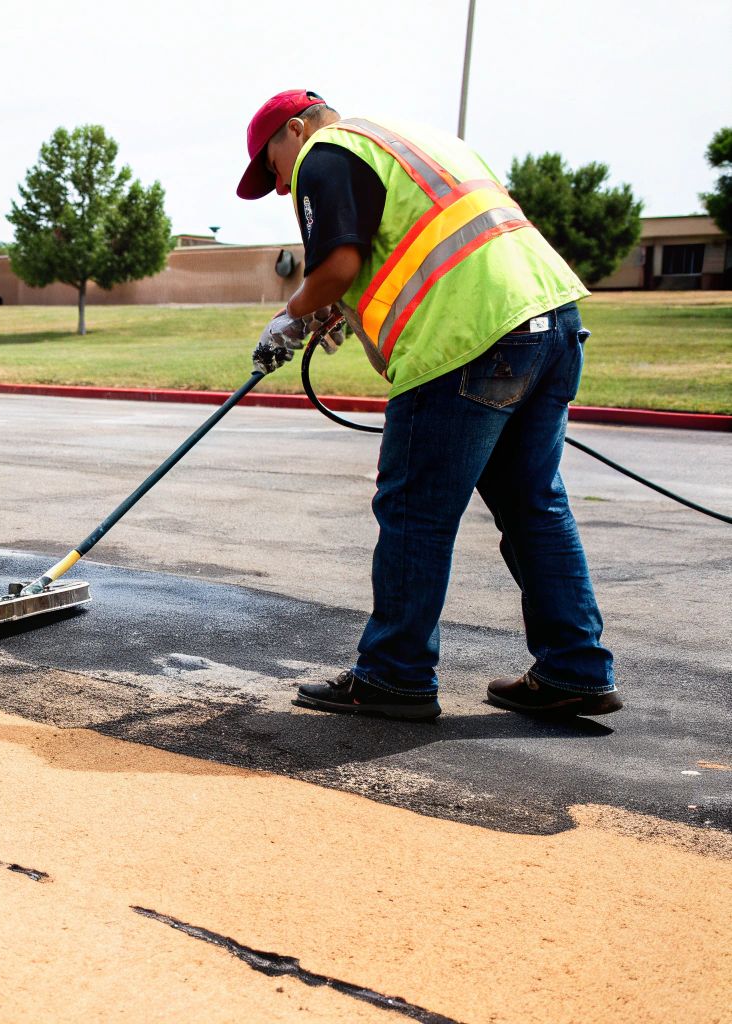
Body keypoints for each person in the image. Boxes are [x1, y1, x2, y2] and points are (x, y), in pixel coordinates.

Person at [235, 89, 618, 720]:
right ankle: (575, 670)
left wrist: (291, 314)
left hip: (469, 338)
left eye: (273, 168)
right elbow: (404, 249)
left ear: (294, 130)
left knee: (415, 510)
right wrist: (341, 307)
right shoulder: (415, 140)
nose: (282, 185)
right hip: (549, 323)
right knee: (534, 507)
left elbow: (335, 264)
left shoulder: (325, 152)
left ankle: (395, 676)